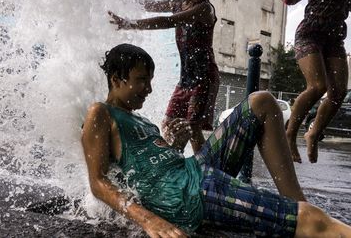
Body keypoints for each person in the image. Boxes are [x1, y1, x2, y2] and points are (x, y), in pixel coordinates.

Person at [81, 43, 351, 237]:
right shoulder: (100, 113)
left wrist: (176, 143)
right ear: (117, 79)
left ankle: (295, 202)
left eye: (150, 80)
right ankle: (307, 222)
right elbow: (98, 183)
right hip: (188, 195)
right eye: (141, 80)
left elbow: (150, 169)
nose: (149, 89)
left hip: (192, 173)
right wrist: (150, 221)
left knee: (262, 102)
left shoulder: (141, 121)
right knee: (313, 220)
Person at [108, 0, 219, 152]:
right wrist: (125, 0)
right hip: (185, 80)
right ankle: (169, 163)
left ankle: (205, 170)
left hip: (205, 77)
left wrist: (130, 24)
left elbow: (168, 21)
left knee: (193, 127)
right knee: (169, 123)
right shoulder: (177, 4)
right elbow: (149, 5)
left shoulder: (204, 9)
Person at [277, 0, 350, 163]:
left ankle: (314, 133)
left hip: (335, 38)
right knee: (318, 86)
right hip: (309, 34)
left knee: (338, 93)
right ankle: (289, 134)